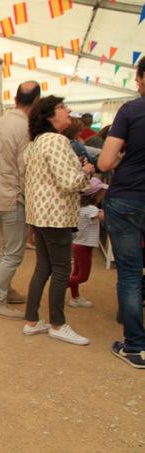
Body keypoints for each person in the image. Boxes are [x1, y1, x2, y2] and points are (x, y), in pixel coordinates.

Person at [22, 96, 94, 345]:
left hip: (40, 214)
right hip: (56, 215)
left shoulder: (36, 143)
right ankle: (57, 324)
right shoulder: (56, 140)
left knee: (43, 267)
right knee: (62, 268)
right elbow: (70, 182)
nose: (69, 110)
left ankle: (32, 320)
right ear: (51, 116)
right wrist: (85, 172)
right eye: (63, 107)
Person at [0, 81, 41, 320]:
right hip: (12, 195)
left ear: (15, 99)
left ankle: (5, 289)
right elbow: (26, 168)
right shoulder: (26, 128)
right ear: (36, 102)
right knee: (14, 251)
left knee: (8, 248)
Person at [98, 56, 145, 368]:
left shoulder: (131, 110)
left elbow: (104, 163)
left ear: (141, 77)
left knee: (129, 272)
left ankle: (136, 348)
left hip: (128, 197)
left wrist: (121, 158)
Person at [67, 178, 107, 308]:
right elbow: (104, 217)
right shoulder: (91, 209)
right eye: (102, 193)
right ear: (95, 194)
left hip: (79, 244)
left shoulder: (81, 207)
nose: (103, 195)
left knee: (76, 273)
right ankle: (61, 284)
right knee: (83, 276)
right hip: (84, 246)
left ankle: (75, 298)